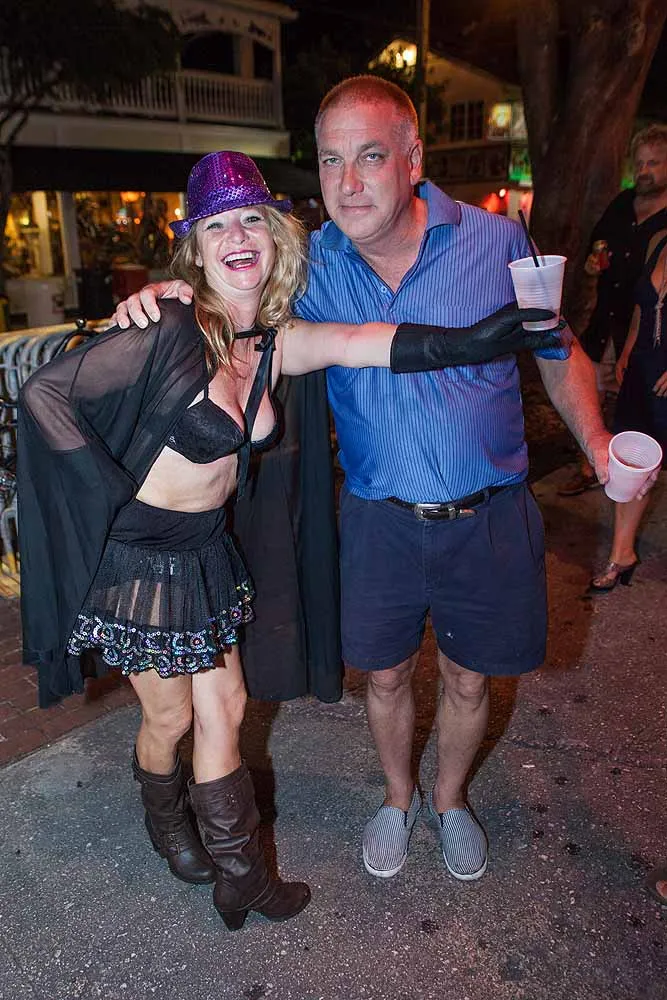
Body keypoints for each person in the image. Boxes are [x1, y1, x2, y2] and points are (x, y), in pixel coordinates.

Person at [18, 149, 555, 929]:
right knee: (171, 720)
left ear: (274, 238)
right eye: (216, 227)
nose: (236, 235)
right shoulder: (167, 327)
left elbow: (363, 340)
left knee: (227, 707)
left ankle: (240, 877)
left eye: (251, 221)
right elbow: (45, 395)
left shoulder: (270, 341)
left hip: (203, 551)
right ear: (194, 250)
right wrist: (102, 495)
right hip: (139, 559)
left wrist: (473, 341)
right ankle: (170, 830)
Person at [113, 77, 611, 885]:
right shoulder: (303, 263)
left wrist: (596, 443)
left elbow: (558, 351)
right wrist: (166, 294)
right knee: (382, 674)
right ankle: (396, 796)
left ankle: (449, 800)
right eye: (330, 160)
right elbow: (229, 299)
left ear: (412, 159)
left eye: (370, 156)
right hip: (378, 517)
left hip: (487, 512)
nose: (347, 183)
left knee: (468, 677)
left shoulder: (495, 243)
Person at [559, 124, 667, 496]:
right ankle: (589, 467)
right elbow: (598, 244)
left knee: (634, 408)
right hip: (605, 320)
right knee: (588, 392)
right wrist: (593, 264)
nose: (644, 171)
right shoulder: (622, 204)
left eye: (654, 163)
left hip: (648, 332)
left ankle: (632, 478)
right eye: (640, 163)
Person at [588, 228, 667, 592]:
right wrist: (628, 350)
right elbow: (641, 307)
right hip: (643, 367)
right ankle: (622, 554)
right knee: (632, 464)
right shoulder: (658, 240)